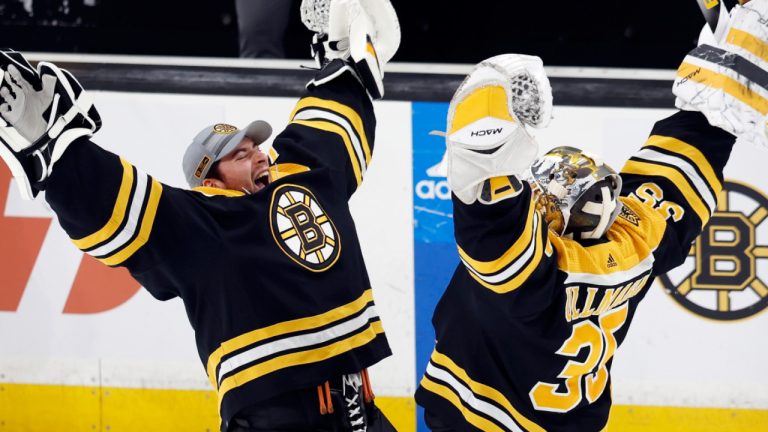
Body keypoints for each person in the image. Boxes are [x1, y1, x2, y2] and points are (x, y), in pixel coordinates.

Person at [0, 0, 401, 430]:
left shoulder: (304, 177)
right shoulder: (205, 224)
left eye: (257, 147)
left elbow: (328, 129)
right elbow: (116, 204)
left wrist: (344, 61)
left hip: (360, 406)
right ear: (211, 182)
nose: (261, 157)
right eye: (242, 155)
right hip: (278, 420)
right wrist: (57, 150)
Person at [414, 1, 765, 431]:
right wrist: (718, 93)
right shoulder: (639, 242)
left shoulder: (526, 281)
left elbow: (488, 200)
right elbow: (679, 166)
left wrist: (491, 106)